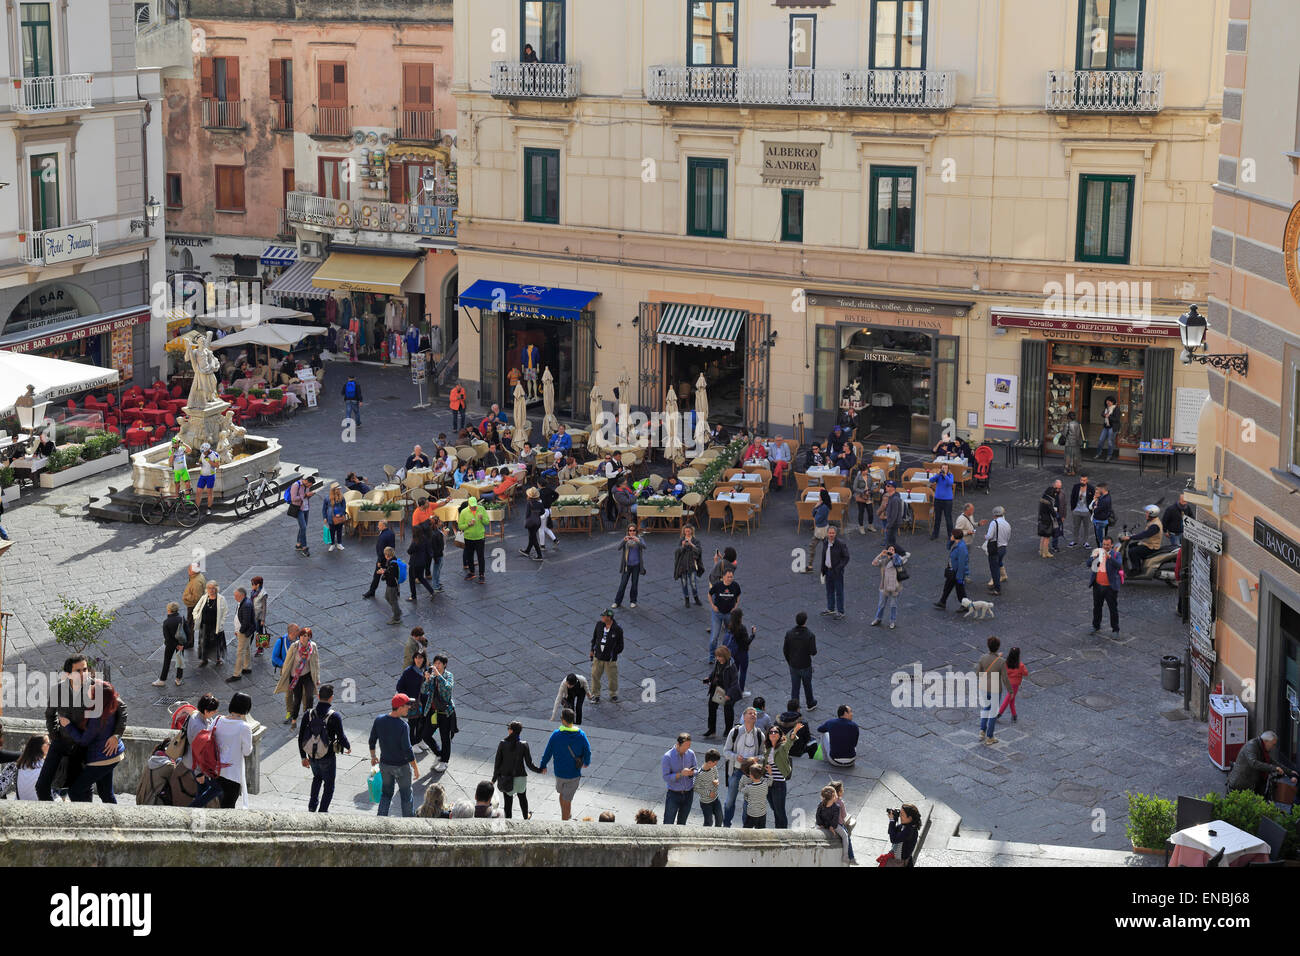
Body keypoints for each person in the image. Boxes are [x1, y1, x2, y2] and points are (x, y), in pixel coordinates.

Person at [62, 680, 126, 804]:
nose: (90, 687)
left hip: (102, 757)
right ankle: (115, 820)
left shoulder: (97, 716)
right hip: (113, 754)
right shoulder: (109, 705)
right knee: (105, 793)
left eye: (92, 688)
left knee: (75, 791)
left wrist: (68, 725)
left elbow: (84, 740)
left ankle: (87, 817)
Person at [194, 692, 255, 810]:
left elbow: (208, 740)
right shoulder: (244, 727)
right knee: (228, 808)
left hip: (215, 771)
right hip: (232, 775)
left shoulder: (217, 720)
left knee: (216, 804)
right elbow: (247, 751)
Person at [299, 683, 350, 813]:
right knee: (329, 784)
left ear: (318, 696)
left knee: (317, 778)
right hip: (327, 755)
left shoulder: (308, 714)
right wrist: (348, 746)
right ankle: (322, 811)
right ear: (331, 698)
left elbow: (301, 737)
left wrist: (303, 757)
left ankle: (312, 806)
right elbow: (341, 736)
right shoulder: (334, 716)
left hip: (312, 755)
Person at [370, 694, 420, 817]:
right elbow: (408, 750)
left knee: (386, 794)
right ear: (400, 707)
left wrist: (373, 756)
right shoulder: (403, 726)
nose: (409, 707)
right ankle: (409, 823)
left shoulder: (379, 720)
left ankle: (381, 820)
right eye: (407, 705)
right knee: (406, 795)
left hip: (385, 765)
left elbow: (372, 740)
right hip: (401, 767)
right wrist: (415, 767)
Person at [538, 707, 591, 821]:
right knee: (566, 797)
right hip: (574, 773)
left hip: (559, 773)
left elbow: (548, 752)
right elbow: (587, 750)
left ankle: (565, 818)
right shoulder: (581, 735)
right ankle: (565, 818)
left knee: (564, 796)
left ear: (563, 720)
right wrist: (586, 762)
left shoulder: (556, 735)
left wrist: (543, 765)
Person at [721, 707, 764, 827]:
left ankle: (746, 827)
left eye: (755, 714)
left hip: (751, 773)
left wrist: (756, 759)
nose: (753, 715)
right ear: (744, 717)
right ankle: (726, 825)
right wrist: (736, 757)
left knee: (748, 803)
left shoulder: (760, 735)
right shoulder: (734, 732)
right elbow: (726, 752)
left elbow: (763, 755)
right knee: (730, 801)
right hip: (736, 771)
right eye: (750, 713)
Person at [1226, 730, 1300, 796]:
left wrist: (1289, 772)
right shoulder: (1252, 746)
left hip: (1252, 783)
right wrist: (1274, 768)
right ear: (1266, 741)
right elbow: (1253, 763)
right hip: (1240, 784)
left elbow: (1272, 762)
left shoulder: (1262, 748)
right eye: (1273, 744)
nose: (1273, 747)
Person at [274, 626, 320, 726]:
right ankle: (291, 716)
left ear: (309, 637)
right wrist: (284, 673)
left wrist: (317, 678)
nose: (302, 637)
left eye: (305, 636)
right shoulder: (289, 644)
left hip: (307, 675)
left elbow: (316, 663)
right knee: (295, 698)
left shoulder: (313, 646)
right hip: (294, 676)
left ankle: (307, 716)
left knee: (309, 696)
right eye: (300, 635)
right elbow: (278, 659)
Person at [762, 724, 799, 829]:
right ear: (768, 735)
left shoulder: (782, 747)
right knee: (775, 809)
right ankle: (778, 830)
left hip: (778, 783)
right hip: (768, 782)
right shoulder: (767, 749)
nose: (773, 733)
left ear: (779, 735)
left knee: (779, 810)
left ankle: (782, 832)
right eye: (771, 732)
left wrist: (794, 731)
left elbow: (789, 741)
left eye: (775, 732)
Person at [976, 636, 1011, 745]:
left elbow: (978, 673)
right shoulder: (1001, 661)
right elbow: (1005, 678)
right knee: (993, 713)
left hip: (983, 687)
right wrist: (1010, 690)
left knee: (986, 708)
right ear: (998, 647)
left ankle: (982, 731)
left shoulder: (983, 657)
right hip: (995, 688)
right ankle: (990, 737)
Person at [703, 646, 741, 740]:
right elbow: (715, 672)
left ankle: (728, 730)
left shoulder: (731, 666)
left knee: (728, 711)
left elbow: (735, 683)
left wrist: (729, 694)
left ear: (725, 656)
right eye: (717, 656)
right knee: (711, 707)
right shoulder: (718, 662)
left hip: (728, 691)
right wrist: (709, 678)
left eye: (719, 656)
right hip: (718, 689)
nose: (717, 658)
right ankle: (711, 729)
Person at [782, 612, 818, 710]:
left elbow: (785, 650)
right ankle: (810, 703)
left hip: (793, 664)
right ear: (805, 621)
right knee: (807, 685)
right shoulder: (810, 635)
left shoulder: (789, 633)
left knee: (795, 687)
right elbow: (813, 652)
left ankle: (794, 707)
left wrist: (789, 661)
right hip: (805, 664)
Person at [426, 653, 455, 772]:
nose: (436, 666)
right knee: (425, 735)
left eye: (439, 663)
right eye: (435, 663)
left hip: (445, 712)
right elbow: (424, 690)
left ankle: (444, 761)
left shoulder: (448, 676)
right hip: (433, 711)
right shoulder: (433, 676)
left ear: (444, 664)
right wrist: (427, 680)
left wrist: (439, 677)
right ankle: (438, 754)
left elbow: (448, 688)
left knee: (445, 737)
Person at [662, 732, 698, 825]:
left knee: (682, 824)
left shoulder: (691, 753)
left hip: (688, 794)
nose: (687, 748)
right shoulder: (667, 757)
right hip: (674, 794)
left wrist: (691, 773)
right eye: (685, 746)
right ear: (678, 744)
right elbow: (666, 777)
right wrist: (681, 774)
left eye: (689, 745)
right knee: (668, 823)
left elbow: (696, 770)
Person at [590, 608, 624, 704]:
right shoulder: (599, 625)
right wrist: (592, 650)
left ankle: (613, 694)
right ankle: (595, 695)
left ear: (609, 618)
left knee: (612, 677)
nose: (602, 617)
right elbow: (594, 638)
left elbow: (621, 645)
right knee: (595, 675)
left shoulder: (617, 629)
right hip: (598, 657)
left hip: (610, 659)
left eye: (603, 616)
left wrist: (613, 653)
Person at [1090, 536, 1123, 635]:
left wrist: (1110, 558)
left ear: (1111, 545)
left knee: (1113, 609)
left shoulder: (1117, 554)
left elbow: (1118, 565)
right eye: (1104, 544)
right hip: (1098, 585)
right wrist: (1093, 558)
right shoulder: (1098, 553)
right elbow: (1088, 564)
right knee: (1097, 607)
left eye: (1107, 545)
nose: (1105, 546)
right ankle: (1096, 626)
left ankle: (1115, 630)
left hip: (1110, 587)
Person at [708, 567, 742, 663]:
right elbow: (709, 594)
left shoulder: (735, 585)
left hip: (729, 614)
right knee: (714, 637)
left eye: (731, 577)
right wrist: (712, 605)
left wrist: (736, 606)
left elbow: (739, 595)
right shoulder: (718, 586)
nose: (730, 579)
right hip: (717, 614)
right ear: (723, 577)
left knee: (729, 636)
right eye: (728, 577)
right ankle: (711, 656)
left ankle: (726, 655)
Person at [192, 580, 227, 667]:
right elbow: (196, 609)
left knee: (216, 642)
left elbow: (225, 613)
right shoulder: (204, 598)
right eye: (209, 588)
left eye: (213, 588)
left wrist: (221, 624)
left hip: (215, 625)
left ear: (216, 589)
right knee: (203, 642)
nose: (211, 590)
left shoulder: (221, 599)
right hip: (204, 625)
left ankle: (218, 659)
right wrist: (196, 617)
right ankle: (204, 659)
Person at [818, 784, 856, 864]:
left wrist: (821, 824)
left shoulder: (821, 804)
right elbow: (835, 819)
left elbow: (818, 816)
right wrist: (831, 827)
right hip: (833, 825)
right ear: (832, 797)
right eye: (835, 795)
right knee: (845, 836)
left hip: (827, 825)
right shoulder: (837, 806)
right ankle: (846, 856)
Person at [820, 524, 850, 619]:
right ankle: (831, 608)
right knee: (829, 590)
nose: (831, 534)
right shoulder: (825, 542)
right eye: (830, 533)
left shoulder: (841, 544)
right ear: (827, 533)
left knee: (839, 591)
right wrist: (823, 569)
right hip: (828, 570)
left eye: (833, 533)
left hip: (837, 572)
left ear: (835, 534)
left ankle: (841, 612)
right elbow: (824, 556)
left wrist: (839, 568)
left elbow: (846, 557)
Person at [870, 544, 904, 629]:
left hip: (895, 587)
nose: (891, 551)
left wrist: (893, 556)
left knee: (893, 605)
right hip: (884, 586)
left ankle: (892, 621)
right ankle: (878, 619)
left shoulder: (898, 559)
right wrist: (881, 554)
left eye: (893, 550)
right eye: (889, 549)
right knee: (881, 604)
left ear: (895, 552)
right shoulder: (884, 561)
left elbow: (899, 564)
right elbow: (874, 563)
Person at [153, 602, 187, 687]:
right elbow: (188, 632)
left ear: (169, 610)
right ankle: (178, 679)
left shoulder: (166, 622)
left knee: (167, 661)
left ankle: (162, 680)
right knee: (180, 661)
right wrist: (182, 645)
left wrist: (175, 645)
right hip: (181, 644)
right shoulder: (182, 619)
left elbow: (167, 638)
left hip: (171, 645)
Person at [226, 585, 256, 682]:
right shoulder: (243, 602)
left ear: (242, 595)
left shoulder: (246, 605)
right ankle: (247, 667)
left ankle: (237, 674)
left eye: (236, 596)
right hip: (243, 631)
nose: (234, 598)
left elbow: (246, 621)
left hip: (244, 632)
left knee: (239, 653)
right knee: (246, 649)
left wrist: (240, 631)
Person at [613, 524, 646, 609]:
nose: (632, 532)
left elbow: (644, 546)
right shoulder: (626, 539)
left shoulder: (639, 538)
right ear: (628, 531)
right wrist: (624, 541)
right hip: (627, 566)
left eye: (633, 530)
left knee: (634, 584)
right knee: (623, 584)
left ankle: (633, 601)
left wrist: (638, 540)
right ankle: (617, 602)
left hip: (636, 565)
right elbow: (618, 548)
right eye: (630, 530)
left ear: (636, 531)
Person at [1123, 505, 1165, 572]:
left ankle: (1136, 569)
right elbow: (1146, 533)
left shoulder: (1155, 526)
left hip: (1152, 547)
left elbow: (1144, 535)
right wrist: (1134, 535)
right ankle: (1139, 564)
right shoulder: (1153, 521)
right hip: (1148, 543)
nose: (1146, 514)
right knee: (1132, 545)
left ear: (1152, 514)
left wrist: (1130, 537)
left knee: (1132, 551)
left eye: (1147, 513)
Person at [725, 608, 756, 697]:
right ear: (739, 617)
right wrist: (753, 635)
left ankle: (731, 688)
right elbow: (746, 642)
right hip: (742, 653)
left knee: (735, 671)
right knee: (743, 671)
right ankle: (741, 691)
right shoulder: (742, 628)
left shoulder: (730, 626)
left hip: (734, 652)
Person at [362, 521, 397, 598]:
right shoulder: (391, 533)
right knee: (392, 575)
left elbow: (381, 550)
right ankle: (396, 592)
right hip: (390, 557)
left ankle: (372, 591)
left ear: (384, 526)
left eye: (379, 525)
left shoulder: (383, 536)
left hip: (383, 559)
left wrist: (379, 561)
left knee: (376, 576)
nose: (378, 527)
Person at [459, 497, 489, 582]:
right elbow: (460, 526)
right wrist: (468, 524)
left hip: (480, 537)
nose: (474, 507)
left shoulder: (481, 509)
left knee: (481, 556)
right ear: (468, 504)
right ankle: (472, 572)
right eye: (472, 506)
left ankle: (481, 574)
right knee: (470, 556)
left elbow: (487, 522)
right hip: (468, 538)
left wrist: (482, 518)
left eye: (475, 506)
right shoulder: (464, 512)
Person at [673, 525, 705, 608]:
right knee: (684, 583)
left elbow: (699, 551)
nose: (687, 532)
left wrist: (691, 544)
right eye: (686, 531)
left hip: (692, 565)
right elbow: (677, 552)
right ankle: (686, 599)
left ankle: (696, 598)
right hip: (683, 565)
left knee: (693, 583)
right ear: (684, 532)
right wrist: (682, 546)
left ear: (691, 531)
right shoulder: (681, 540)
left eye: (688, 531)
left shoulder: (696, 540)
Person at [406, 520, 437, 602]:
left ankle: (413, 596)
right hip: (422, 562)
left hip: (414, 563)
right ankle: (432, 591)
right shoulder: (425, 539)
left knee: (412, 580)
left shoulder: (415, 542)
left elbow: (409, 551)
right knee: (421, 578)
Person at [983, 505, 1011, 596]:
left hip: (995, 549)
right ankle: (1003, 576)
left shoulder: (994, 523)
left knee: (994, 569)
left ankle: (997, 589)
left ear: (995, 514)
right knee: (999, 563)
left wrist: (985, 536)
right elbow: (1008, 536)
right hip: (1003, 548)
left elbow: (989, 536)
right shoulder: (1007, 524)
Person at [997, 647, 1028, 722]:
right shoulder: (1020, 665)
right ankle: (999, 714)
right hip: (1015, 685)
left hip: (1007, 683)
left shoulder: (1005, 663)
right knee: (1008, 699)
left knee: (1011, 699)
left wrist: (998, 656)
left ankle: (1014, 715)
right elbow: (1026, 673)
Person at [13, 734, 47, 801]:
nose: (50, 745)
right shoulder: (47, 766)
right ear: (41, 747)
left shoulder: (16, 765)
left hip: (19, 805)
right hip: (40, 807)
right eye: (48, 743)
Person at [693, 748, 723, 826]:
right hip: (706, 803)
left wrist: (716, 781)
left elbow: (716, 776)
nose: (716, 765)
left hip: (716, 799)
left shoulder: (713, 768)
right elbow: (695, 787)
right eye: (715, 763)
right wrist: (708, 793)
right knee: (708, 822)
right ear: (710, 762)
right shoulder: (700, 774)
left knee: (720, 818)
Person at [737, 761, 771, 829]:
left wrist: (741, 781)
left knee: (747, 830)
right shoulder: (765, 784)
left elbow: (740, 789)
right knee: (761, 830)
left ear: (751, 775)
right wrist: (770, 773)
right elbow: (770, 781)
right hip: (762, 813)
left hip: (751, 814)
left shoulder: (748, 787)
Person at [181, 562, 206, 651]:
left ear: (193, 571)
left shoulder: (196, 581)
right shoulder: (196, 577)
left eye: (189, 569)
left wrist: (186, 596)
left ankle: (190, 642)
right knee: (190, 623)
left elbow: (196, 598)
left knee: (190, 624)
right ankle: (190, 640)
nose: (188, 570)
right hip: (194, 606)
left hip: (193, 606)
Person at [289, 472, 315, 555]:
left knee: (303, 527)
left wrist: (310, 495)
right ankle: (304, 547)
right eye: (309, 485)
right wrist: (305, 495)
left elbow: (306, 496)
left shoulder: (307, 486)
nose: (309, 487)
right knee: (303, 527)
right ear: (306, 481)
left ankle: (298, 544)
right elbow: (293, 498)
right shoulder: (296, 485)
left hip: (306, 508)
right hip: (299, 509)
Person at [806, 487, 831, 572]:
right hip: (819, 529)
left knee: (824, 549)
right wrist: (816, 507)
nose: (818, 497)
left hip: (822, 530)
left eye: (819, 495)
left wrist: (816, 509)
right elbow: (813, 514)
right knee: (814, 546)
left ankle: (821, 566)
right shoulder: (821, 505)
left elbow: (817, 519)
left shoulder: (824, 507)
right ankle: (810, 566)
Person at [1068, 474, 1095, 547]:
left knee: (1086, 527)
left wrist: (1091, 509)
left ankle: (1085, 541)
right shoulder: (1076, 487)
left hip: (1086, 511)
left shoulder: (1091, 488)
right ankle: (1075, 541)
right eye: (1081, 480)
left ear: (1087, 480)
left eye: (1084, 480)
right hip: (1076, 510)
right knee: (1076, 526)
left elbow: (1094, 499)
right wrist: (1072, 508)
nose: (1082, 481)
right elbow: (1072, 497)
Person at [880, 481, 906, 556]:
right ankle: (893, 554)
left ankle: (902, 552)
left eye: (888, 486)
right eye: (886, 485)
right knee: (891, 542)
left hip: (893, 523)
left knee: (890, 542)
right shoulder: (892, 497)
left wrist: (889, 525)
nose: (886, 487)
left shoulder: (894, 499)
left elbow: (894, 515)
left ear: (892, 488)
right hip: (893, 523)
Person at [520, 486, 545, 561]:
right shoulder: (540, 504)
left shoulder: (529, 504)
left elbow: (527, 514)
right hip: (537, 522)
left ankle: (539, 555)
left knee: (533, 538)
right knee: (532, 537)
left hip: (531, 523)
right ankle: (527, 551)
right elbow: (542, 512)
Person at [380, 546, 402, 624]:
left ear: (387, 555)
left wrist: (383, 572)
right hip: (390, 584)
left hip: (392, 585)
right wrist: (385, 571)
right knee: (387, 597)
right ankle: (397, 611)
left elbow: (391, 575)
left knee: (393, 600)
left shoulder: (393, 563)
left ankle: (397, 617)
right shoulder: (392, 560)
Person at [195, 442, 220, 511]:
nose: (203, 453)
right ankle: (196, 508)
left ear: (208, 449)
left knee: (209, 493)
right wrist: (199, 463)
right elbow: (201, 461)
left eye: (204, 452)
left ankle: (209, 508)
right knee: (198, 492)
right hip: (202, 476)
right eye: (202, 452)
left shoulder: (215, 455)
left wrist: (209, 460)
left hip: (210, 476)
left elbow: (217, 466)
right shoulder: (202, 454)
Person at [1037, 484, 1059, 559]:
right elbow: (1052, 512)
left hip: (1042, 519)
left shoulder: (1043, 499)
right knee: (1047, 537)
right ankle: (1045, 553)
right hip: (1047, 521)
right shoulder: (1048, 502)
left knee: (1043, 536)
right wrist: (1055, 512)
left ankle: (1041, 550)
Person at [851, 465, 875, 534]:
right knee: (861, 512)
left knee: (870, 512)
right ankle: (861, 527)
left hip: (868, 496)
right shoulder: (858, 478)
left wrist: (870, 490)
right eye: (865, 470)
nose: (867, 471)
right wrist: (863, 491)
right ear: (861, 471)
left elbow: (872, 485)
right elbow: (854, 488)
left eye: (867, 470)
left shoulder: (869, 476)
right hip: (861, 496)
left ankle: (870, 525)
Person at [250, 575, 269, 657]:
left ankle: (261, 649)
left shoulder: (263, 594)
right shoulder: (254, 592)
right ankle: (247, 646)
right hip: (253, 615)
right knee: (251, 631)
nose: (251, 586)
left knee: (260, 632)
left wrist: (263, 620)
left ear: (257, 585)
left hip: (259, 617)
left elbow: (264, 608)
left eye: (253, 584)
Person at [1061, 410, 1084, 476]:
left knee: (1068, 456)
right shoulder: (1078, 424)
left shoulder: (1067, 424)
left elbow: (1064, 434)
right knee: (1075, 456)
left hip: (1069, 443)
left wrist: (1061, 432)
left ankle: (1068, 470)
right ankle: (1074, 470)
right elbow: (1078, 434)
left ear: (1068, 417)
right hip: (1076, 443)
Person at [1091, 482, 1113, 550]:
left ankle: (1102, 552)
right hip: (1102, 520)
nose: (1097, 490)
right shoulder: (1106, 496)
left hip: (1100, 521)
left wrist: (1095, 507)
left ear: (1102, 489)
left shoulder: (1103, 500)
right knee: (1101, 538)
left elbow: (1096, 510)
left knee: (1101, 540)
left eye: (1098, 489)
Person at [1095, 396, 1118, 461]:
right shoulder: (1107, 408)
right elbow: (1102, 413)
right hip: (1106, 427)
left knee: (1110, 442)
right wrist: (1105, 415)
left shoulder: (1116, 409)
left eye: (1109, 401)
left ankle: (1109, 455)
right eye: (1107, 401)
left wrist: (1109, 416)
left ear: (1112, 402)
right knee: (1100, 440)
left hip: (1112, 427)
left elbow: (1116, 419)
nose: (1107, 402)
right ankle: (1098, 453)